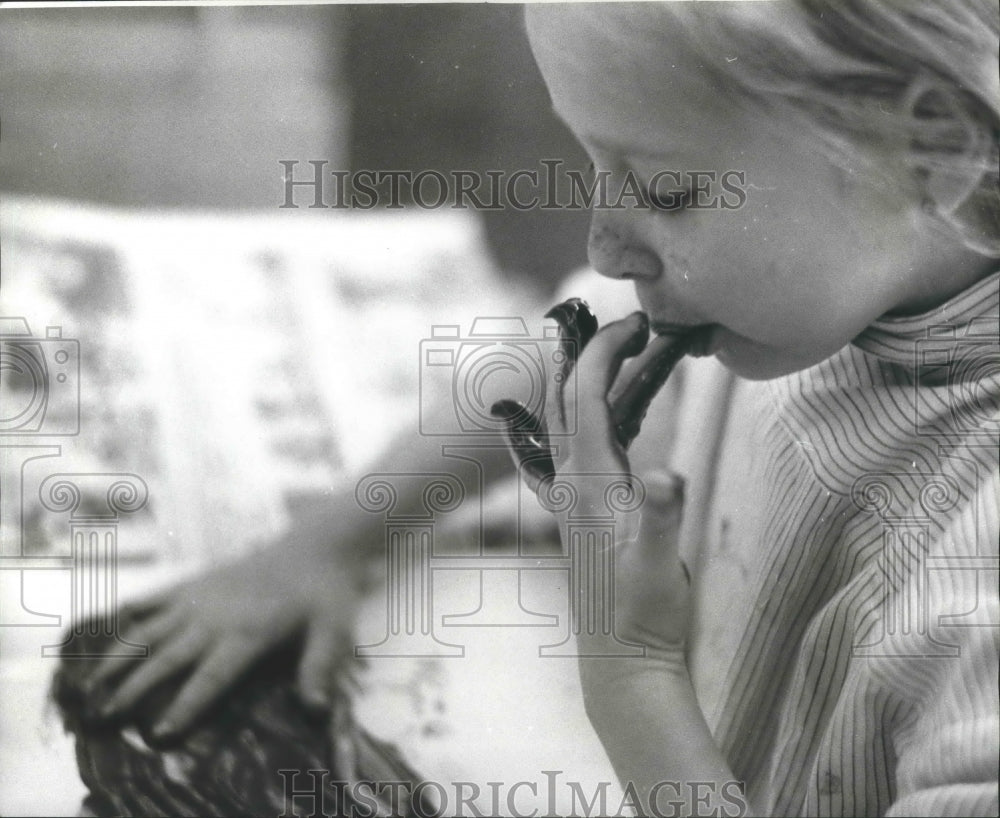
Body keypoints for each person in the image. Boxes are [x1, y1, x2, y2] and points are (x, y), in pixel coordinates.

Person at [79, 1, 998, 815]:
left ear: (933, 150)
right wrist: (325, 541)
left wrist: (629, 671)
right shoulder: (797, 291)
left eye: (667, 191)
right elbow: (547, 363)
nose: (605, 247)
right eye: (598, 164)